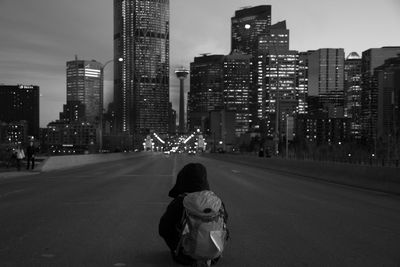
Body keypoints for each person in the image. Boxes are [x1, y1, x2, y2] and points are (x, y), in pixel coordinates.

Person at [159, 163, 228, 266]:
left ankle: (183, 253)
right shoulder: (216, 202)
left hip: (185, 257)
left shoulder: (181, 201)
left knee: (168, 227)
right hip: (214, 256)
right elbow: (225, 225)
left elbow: (163, 229)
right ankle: (208, 257)